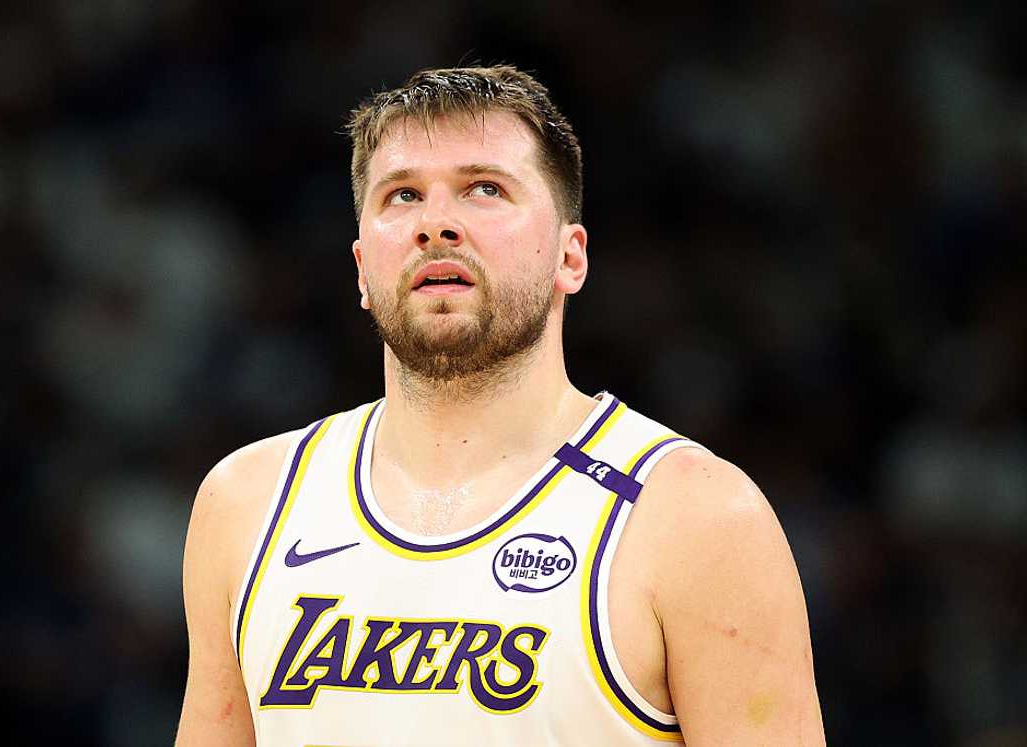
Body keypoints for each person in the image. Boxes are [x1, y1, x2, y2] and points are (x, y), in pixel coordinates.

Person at [175, 65, 825, 746]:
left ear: (570, 257)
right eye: (403, 195)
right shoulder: (248, 502)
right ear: (362, 267)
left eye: (484, 189)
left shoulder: (695, 518)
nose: (435, 225)